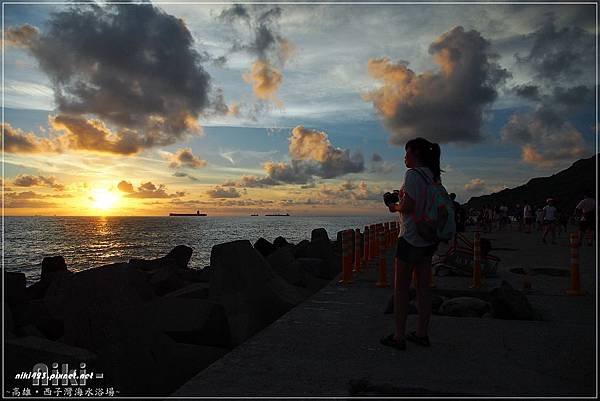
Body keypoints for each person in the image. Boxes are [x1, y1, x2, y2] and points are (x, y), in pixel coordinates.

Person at [380, 137, 441, 350]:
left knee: (402, 289)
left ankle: (399, 337)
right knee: (424, 288)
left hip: (410, 238)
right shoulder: (432, 176)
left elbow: (408, 206)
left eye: (406, 153)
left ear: (415, 153)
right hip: (428, 238)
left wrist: (393, 206)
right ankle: (422, 334)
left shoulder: (412, 174)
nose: (404, 157)